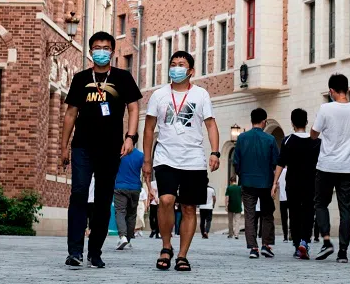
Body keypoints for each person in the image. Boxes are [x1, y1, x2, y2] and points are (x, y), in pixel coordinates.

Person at [61, 31, 142, 269]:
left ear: (112, 52)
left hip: (110, 148)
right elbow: (70, 114)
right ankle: (75, 251)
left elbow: (134, 108)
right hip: (82, 146)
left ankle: (95, 251)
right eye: (97, 48)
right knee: (78, 193)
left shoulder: (122, 78)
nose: (102, 52)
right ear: (90, 51)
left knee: (103, 198)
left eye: (106, 48)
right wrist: (63, 147)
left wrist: (130, 137)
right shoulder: (80, 79)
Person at [143, 51, 220, 272]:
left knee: (188, 207)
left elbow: (211, 125)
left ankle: (182, 255)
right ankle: (166, 247)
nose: (176, 68)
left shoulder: (201, 95)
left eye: (181, 64)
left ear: (191, 71)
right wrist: (147, 160)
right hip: (165, 157)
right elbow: (148, 128)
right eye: (173, 64)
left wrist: (215, 152)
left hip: (193, 160)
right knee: (166, 200)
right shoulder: (159, 95)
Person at [311, 74, 350, 263]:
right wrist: (349, 140)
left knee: (320, 203)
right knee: (346, 209)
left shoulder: (325, 108)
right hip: (348, 167)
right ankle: (343, 252)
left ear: (331, 91)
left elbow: (314, 134)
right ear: (347, 89)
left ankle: (327, 240)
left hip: (326, 165)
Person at [272, 109, 320, 259]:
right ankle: (305, 241)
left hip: (292, 183)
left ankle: (297, 244)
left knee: (294, 213)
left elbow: (280, 163)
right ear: (307, 122)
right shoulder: (316, 141)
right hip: (311, 183)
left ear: (292, 123)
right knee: (308, 212)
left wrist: (274, 182)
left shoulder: (287, 141)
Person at [234, 108, 279, 259]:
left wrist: (242, 175)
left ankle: (253, 247)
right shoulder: (270, 139)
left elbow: (236, 162)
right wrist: (274, 182)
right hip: (265, 182)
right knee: (267, 214)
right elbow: (275, 162)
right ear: (264, 121)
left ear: (251, 120)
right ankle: (266, 244)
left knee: (250, 215)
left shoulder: (241, 138)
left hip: (247, 182)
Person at [114, 146, 145, 250]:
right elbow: (145, 171)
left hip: (120, 186)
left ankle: (123, 236)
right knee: (132, 214)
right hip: (135, 188)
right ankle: (128, 239)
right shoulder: (140, 155)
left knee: (120, 211)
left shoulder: (120, 153)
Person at [278, 167, 289, 242]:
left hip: (282, 198)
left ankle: (285, 236)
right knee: (293, 217)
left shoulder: (280, 172)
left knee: (284, 218)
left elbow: (277, 185)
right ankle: (292, 234)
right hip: (291, 197)